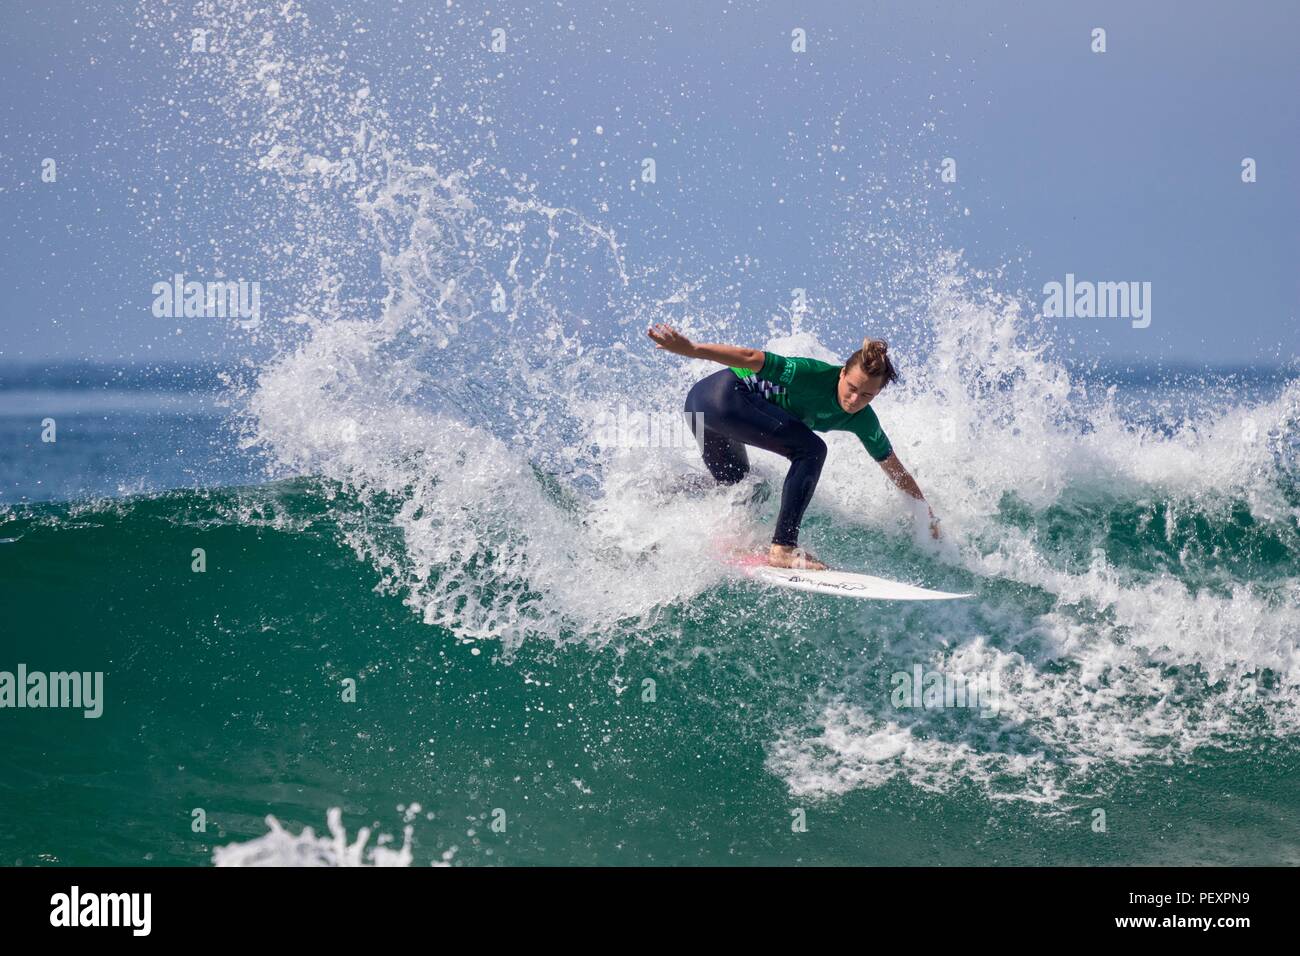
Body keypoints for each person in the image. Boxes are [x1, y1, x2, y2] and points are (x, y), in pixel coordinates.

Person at [647, 323, 941, 569]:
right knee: (812, 450)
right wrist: (692, 350)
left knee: (743, 486)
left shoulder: (864, 421)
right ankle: (783, 548)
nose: (854, 400)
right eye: (851, 388)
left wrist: (926, 514)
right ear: (841, 373)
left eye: (866, 396)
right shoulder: (811, 374)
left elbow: (894, 468)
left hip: (700, 410)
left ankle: (671, 494)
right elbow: (751, 357)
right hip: (722, 398)